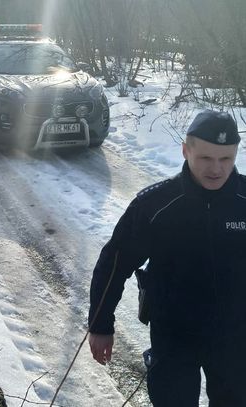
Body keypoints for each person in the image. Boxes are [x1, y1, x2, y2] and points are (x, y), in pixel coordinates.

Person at [88, 110, 245, 406]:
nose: (217, 169)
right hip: (174, 337)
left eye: (226, 159)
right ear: (186, 151)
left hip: (235, 339)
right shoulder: (156, 205)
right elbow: (114, 263)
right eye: (206, 158)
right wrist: (100, 324)